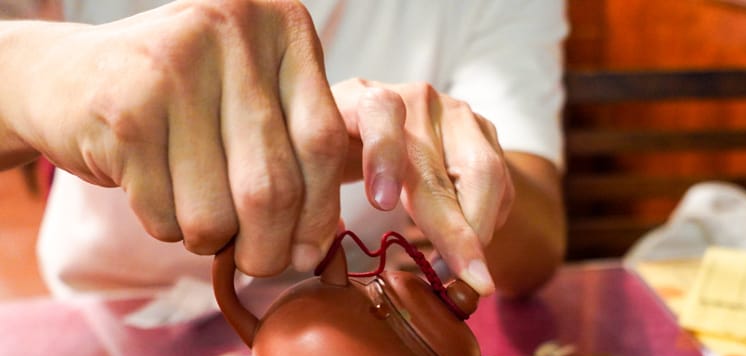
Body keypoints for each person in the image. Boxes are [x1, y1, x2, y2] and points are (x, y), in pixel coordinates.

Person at [0, 0, 567, 302]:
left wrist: (452, 171)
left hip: (365, 317)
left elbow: (540, 245)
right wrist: (34, 75)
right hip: (107, 320)